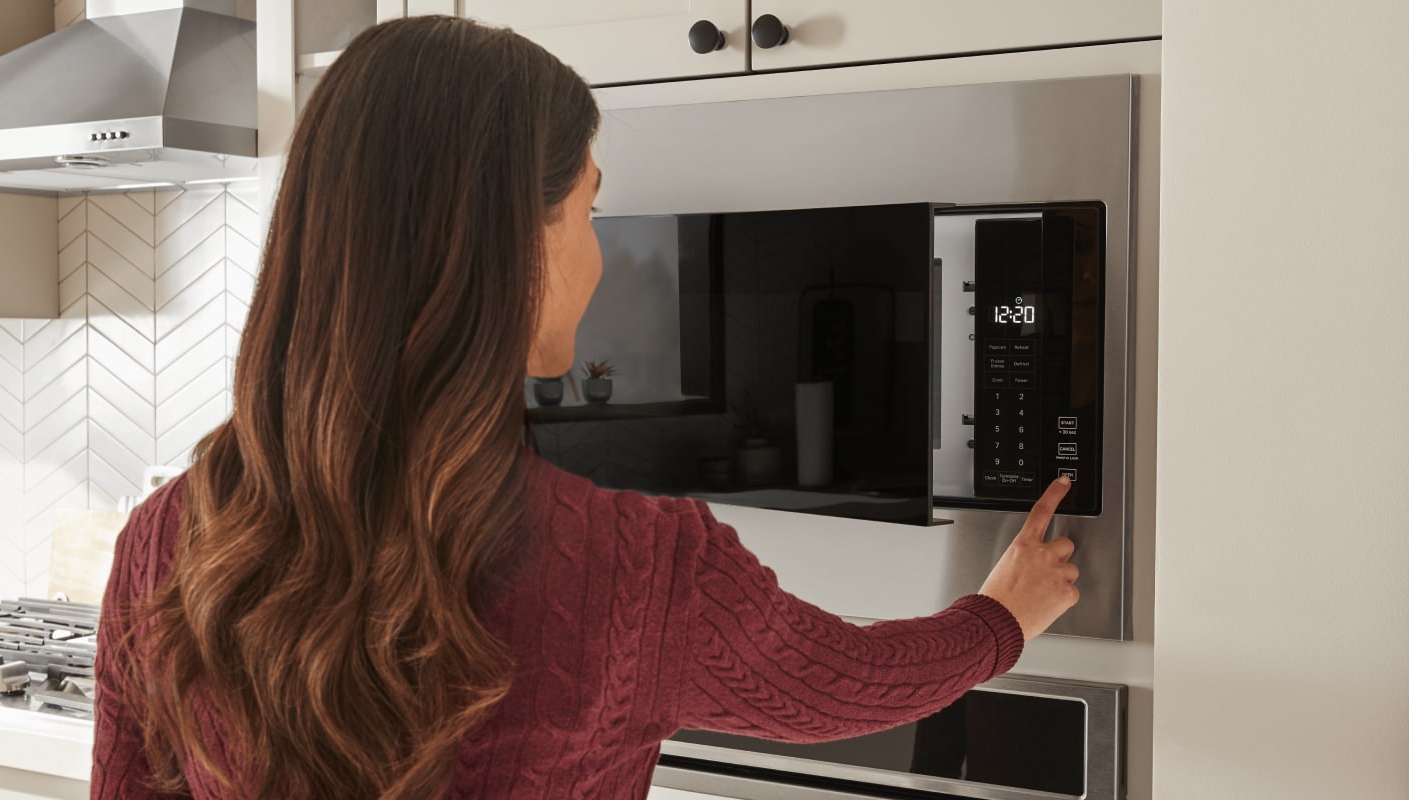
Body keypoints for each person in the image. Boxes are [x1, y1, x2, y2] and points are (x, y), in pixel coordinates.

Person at [90, 15, 1080, 800]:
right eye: (592, 211)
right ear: (521, 241)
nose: (602, 254)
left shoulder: (166, 538)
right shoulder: (637, 568)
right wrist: (1000, 614)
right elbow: (850, 682)